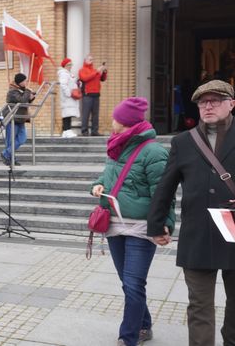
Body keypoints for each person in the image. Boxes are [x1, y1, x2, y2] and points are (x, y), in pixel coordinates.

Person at [148, 80, 235, 346]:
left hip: (234, 228)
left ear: (231, 103)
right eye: (202, 101)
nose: (208, 106)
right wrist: (156, 223)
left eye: (215, 100)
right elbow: (166, 184)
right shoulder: (184, 141)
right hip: (198, 232)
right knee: (199, 304)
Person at [91, 97, 175, 346]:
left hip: (140, 228)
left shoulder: (154, 151)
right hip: (114, 226)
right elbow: (107, 175)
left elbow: (163, 192)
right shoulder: (116, 145)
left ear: (124, 121)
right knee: (128, 284)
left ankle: (128, 338)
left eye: (115, 117)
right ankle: (144, 325)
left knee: (133, 283)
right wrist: (96, 185)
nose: (112, 120)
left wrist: (163, 225)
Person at [1, 73, 35, 166]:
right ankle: (11, 159)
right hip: (12, 119)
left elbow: (25, 101)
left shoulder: (21, 90)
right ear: (20, 82)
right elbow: (22, 100)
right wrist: (28, 91)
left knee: (22, 138)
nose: (26, 82)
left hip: (20, 119)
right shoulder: (12, 91)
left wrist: (31, 98)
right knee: (10, 141)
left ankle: (6, 154)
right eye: (24, 81)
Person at [79, 54, 108, 136]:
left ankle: (94, 131)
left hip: (96, 95)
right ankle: (84, 131)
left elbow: (102, 79)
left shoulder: (95, 70)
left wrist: (104, 72)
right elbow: (85, 78)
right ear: (85, 60)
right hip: (87, 95)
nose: (92, 61)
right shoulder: (82, 70)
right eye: (90, 59)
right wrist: (96, 71)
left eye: (92, 59)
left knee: (95, 114)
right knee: (86, 113)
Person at [58, 58, 80, 138]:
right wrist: (69, 94)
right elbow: (63, 85)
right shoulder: (64, 74)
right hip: (67, 98)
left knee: (69, 114)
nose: (70, 66)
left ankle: (67, 130)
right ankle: (67, 130)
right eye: (69, 65)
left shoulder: (68, 73)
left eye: (71, 64)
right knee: (67, 114)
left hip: (70, 98)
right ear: (65, 65)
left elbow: (71, 83)